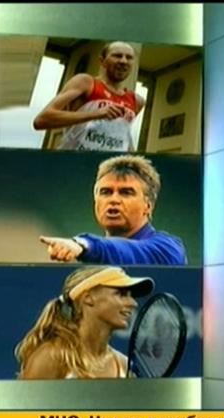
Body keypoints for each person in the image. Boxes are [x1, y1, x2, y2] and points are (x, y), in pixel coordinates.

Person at [39, 154, 188, 265]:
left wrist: (84, 244)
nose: (113, 200)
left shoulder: (168, 249)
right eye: (105, 192)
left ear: (148, 206)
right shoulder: (94, 258)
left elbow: (128, 253)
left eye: (126, 192)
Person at [15, 266, 154, 379]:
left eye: (131, 296)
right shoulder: (51, 356)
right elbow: (21, 406)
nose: (133, 303)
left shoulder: (124, 366)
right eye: (121, 294)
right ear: (88, 298)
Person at [33, 41, 145, 151]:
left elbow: (124, 135)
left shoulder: (137, 100)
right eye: (117, 56)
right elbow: (41, 120)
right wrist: (95, 114)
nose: (124, 61)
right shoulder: (85, 82)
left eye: (129, 58)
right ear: (102, 61)